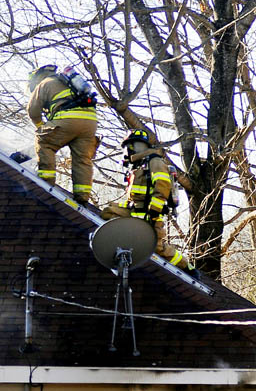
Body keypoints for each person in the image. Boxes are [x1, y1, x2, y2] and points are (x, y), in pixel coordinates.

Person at [101, 130, 198, 277]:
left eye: (127, 147)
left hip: (149, 215)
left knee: (157, 248)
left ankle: (187, 267)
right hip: (134, 211)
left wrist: (154, 211)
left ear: (134, 146)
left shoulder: (154, 161)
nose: (125, 151)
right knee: (108, 212)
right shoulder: (138, 166)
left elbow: (163, 185)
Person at [27, 64, 99, 205]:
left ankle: (46, 183)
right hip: (90, 123)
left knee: (44, 142)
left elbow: (32, 111)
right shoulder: (68, 81)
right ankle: (82, 196)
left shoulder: (44, 83)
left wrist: (42, 128)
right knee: (82, 159)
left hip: (68, 120)